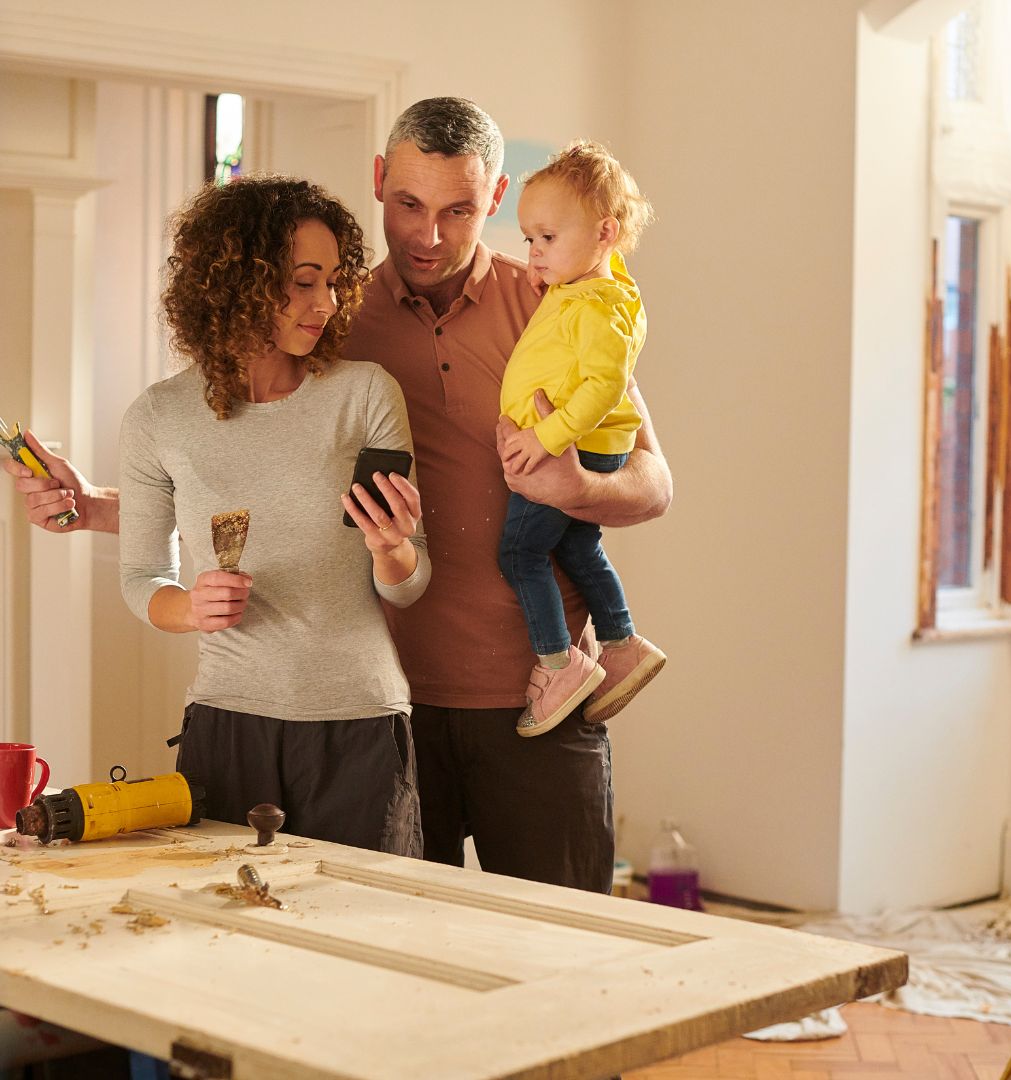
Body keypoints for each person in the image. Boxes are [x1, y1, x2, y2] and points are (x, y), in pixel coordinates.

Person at [4, 98, 671, 894]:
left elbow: (651, 483)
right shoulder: (329, 317)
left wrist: (578, 485)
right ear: (380, 183)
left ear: (492, 200)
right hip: (381, 709)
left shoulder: (554, 300)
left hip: (537, 696)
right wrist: (101, 506)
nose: (429, 234)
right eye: (409, 206)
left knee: (567, 953)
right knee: (386, 969)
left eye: (458, 210)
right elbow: (263, 482)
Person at [120, 175, 430, 854]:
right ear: (235, 284)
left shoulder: (365, 395)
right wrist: (192, 607)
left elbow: (409, 583)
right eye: (303, 282)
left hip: (360, 722)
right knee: (225, 938)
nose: (329, 301)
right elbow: (141, 576)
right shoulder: (159, 418)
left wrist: (392, 549)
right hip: (227, 725)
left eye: (335, 280)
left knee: (364, 939)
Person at [498, 141, 666, 738]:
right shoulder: (589, 288)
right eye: (529, 240)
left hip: (576, 448)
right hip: (583, 442)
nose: (535, 253)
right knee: (577, 549)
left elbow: (604, 385)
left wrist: (546, 437)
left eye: (548, 238)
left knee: (520, 553)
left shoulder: (599, 305)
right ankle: (621, 644)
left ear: (604, 233)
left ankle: (559, 664)